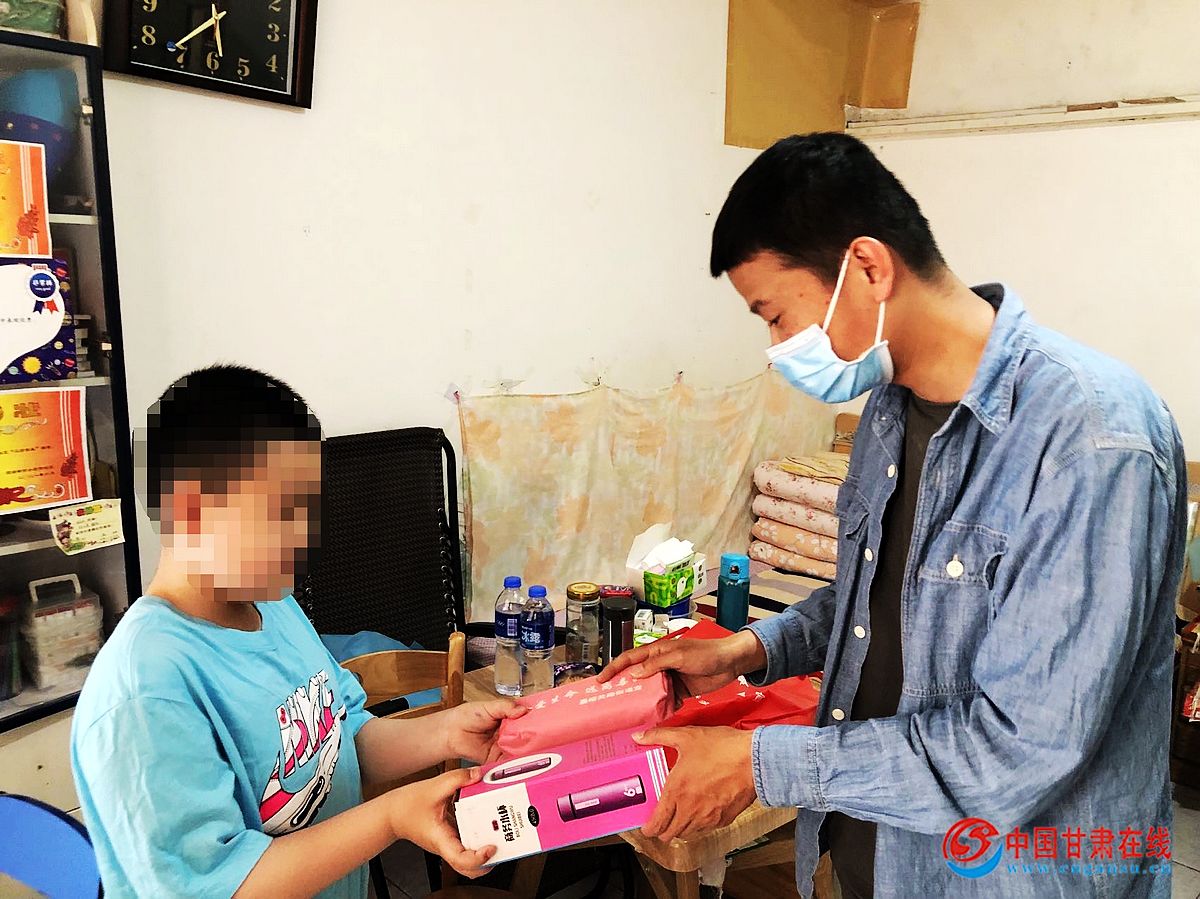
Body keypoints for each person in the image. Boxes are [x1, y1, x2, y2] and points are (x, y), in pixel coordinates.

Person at [602, 133, 1188, 897]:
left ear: (868, 268)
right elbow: (878, 599)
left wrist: (759, 764)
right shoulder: (889, 407)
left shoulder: (1090, 439)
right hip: (883, 857)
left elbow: (1024, 748)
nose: (776, 347)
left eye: (775, 315)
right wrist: (748, 649)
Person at [71, 365, 521, 898]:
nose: (307, 536)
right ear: (192, 509)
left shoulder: (275, 607)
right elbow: (221, 886)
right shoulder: (145, 694)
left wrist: (446, 733)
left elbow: (343, 742)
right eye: (282, 511)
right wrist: (390, 819)